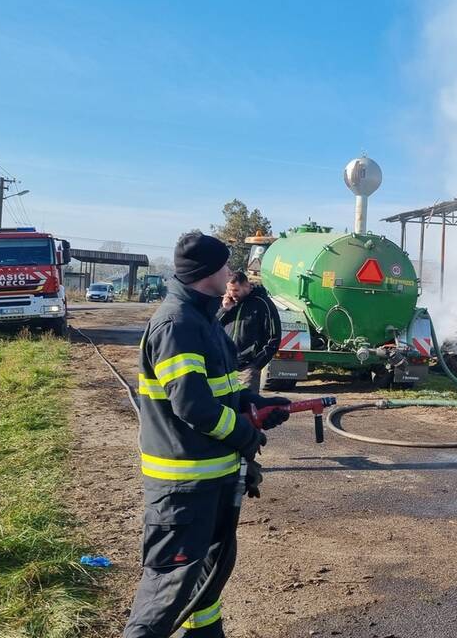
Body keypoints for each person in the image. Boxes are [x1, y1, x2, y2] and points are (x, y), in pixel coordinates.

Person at [123, 232, 290, 638]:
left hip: (211, 477)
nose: (232, 273)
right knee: (169, 586)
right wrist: (245, 438)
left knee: (207, 579)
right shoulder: (177, 324)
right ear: (208, 273)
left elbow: (216, 392)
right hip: (184, 485)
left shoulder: (203, 318)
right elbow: (193, 406)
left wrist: (252, 404)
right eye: (226, 266)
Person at [217, 271, 282, 391]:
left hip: (248, 368)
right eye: (229, 290)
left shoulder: (263, 303)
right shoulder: (226, 303)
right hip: (224, 365)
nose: (232, 294)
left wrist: (256, 364)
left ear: (247, 286)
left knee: (246, 406)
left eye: (236, 290)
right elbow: (211, 327)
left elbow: (274, 337)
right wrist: (225, 310)